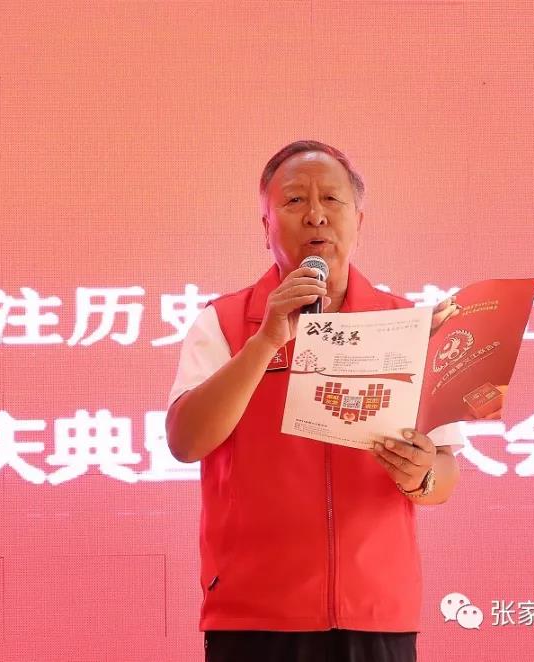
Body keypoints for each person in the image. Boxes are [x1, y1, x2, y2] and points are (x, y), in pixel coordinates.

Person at [166, 140, 462, 662]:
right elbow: (186, 442)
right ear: (266, 226)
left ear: (358, 221)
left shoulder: (408, 325)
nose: (316, 215)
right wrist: (265, 341)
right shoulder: (224, 322)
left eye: (331, 199)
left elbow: (444, 472)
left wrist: (421, 475)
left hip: (377, 612)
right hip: (255, 617)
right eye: (294, 201)